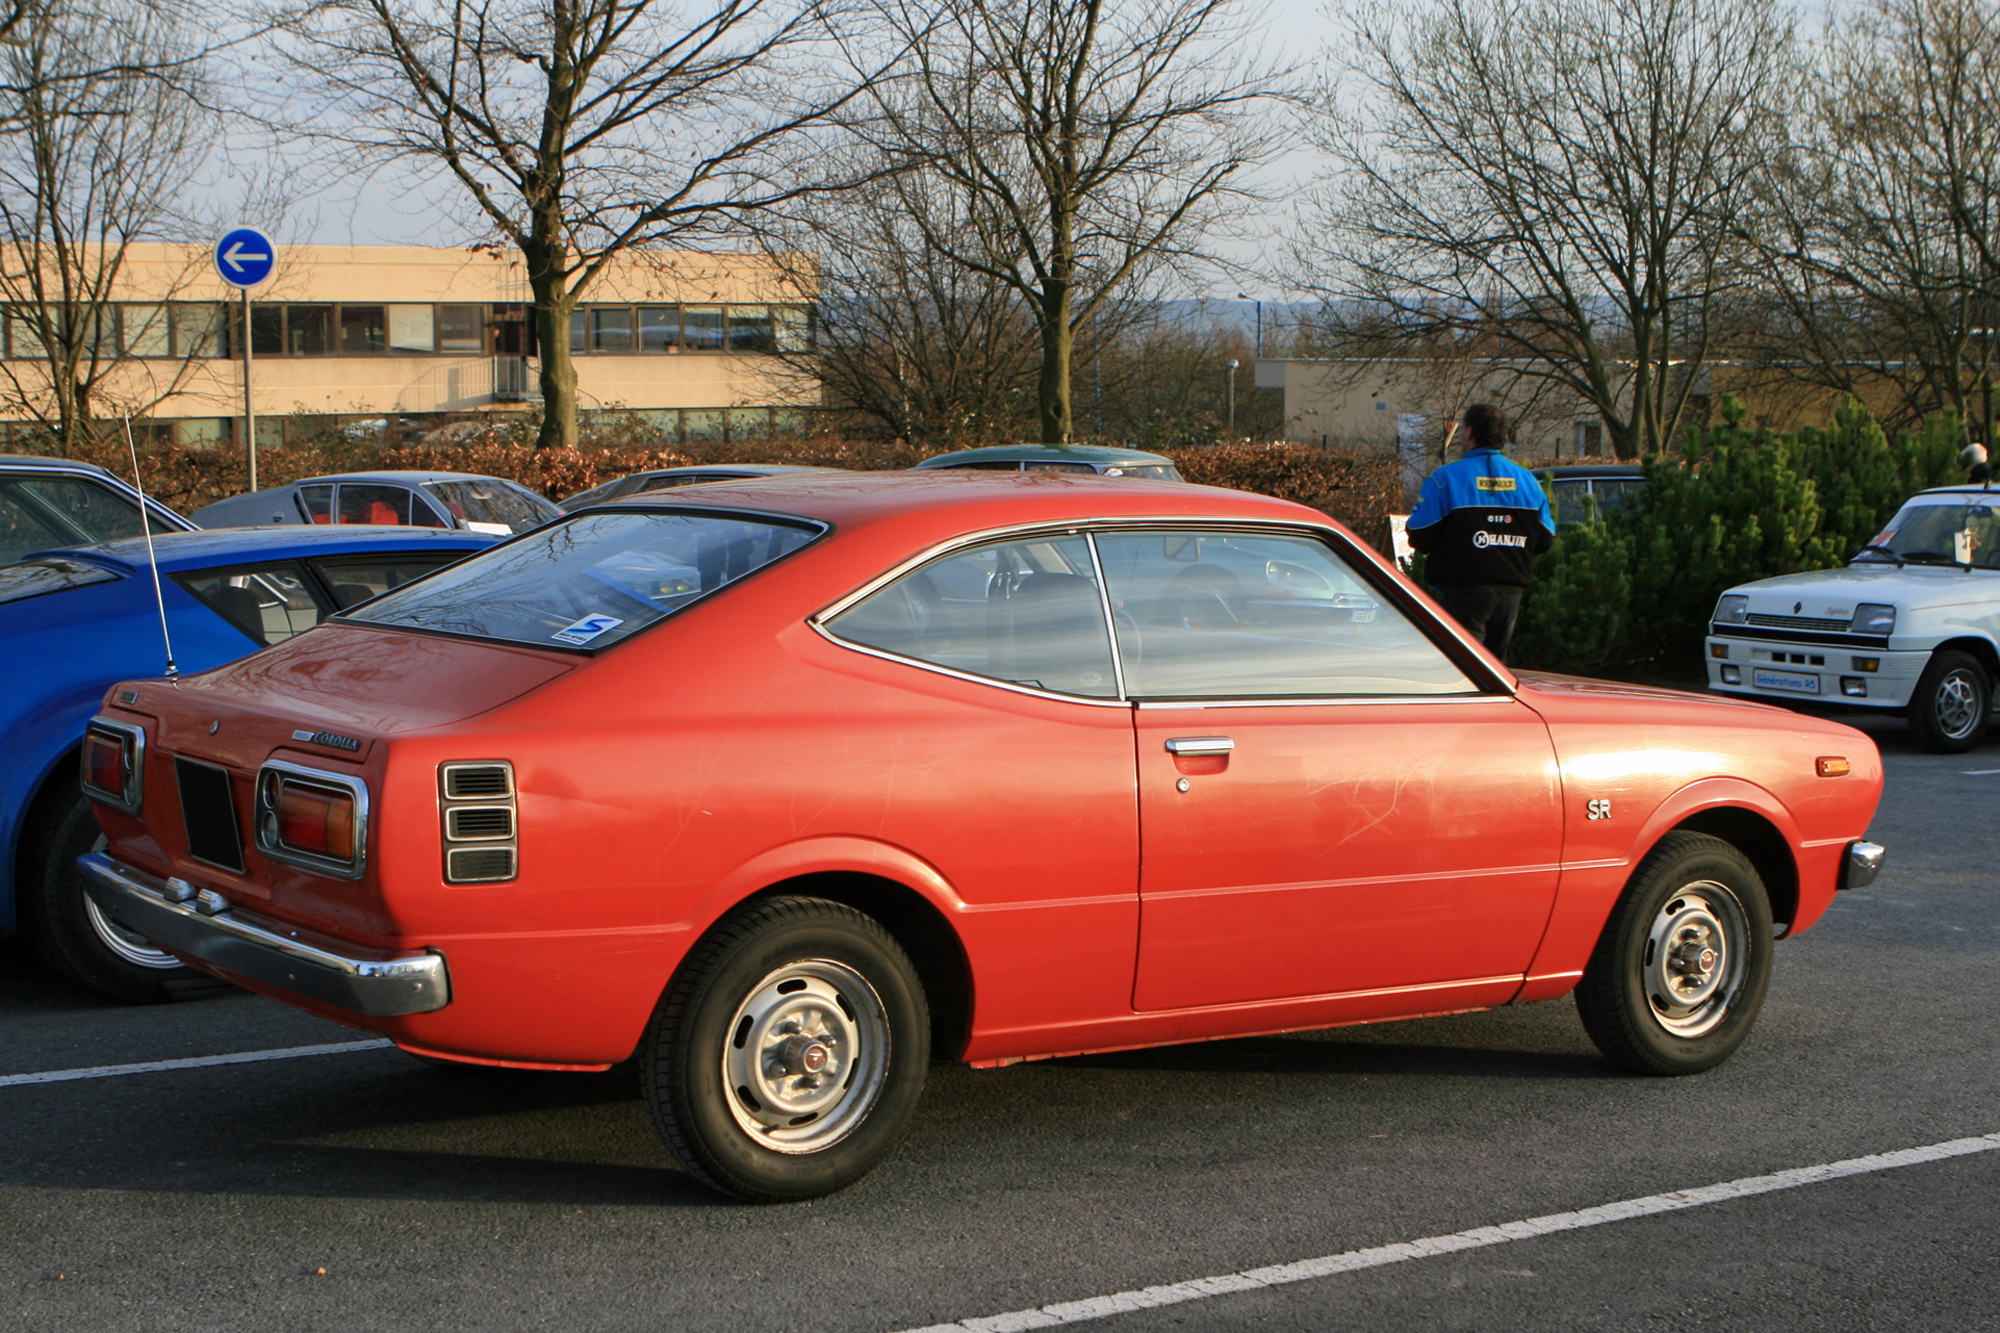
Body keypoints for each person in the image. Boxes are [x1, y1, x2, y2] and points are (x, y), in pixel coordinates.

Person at [1406, 403, 1555, 662]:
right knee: (1497, 673)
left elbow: (1419, 534)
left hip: (1463, 592)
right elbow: (1545, 538)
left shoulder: (1446, 479)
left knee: (1464, 668)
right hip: (1511, 594)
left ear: (1469, 433)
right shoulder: (1528, 481)